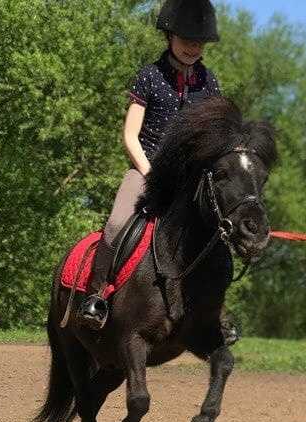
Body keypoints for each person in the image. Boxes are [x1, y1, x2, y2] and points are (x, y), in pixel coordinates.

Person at [81, 0, 223, 329]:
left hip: (191, 180)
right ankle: (97, 296)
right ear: (169, 35)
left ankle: (213, 311)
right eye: (187, 39)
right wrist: (151, 173)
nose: (193, 48)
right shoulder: (149, 76)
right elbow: (130, 136)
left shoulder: (209, 83)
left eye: (199, 42)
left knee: (220, 229)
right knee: (117, 223)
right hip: (145, 170)